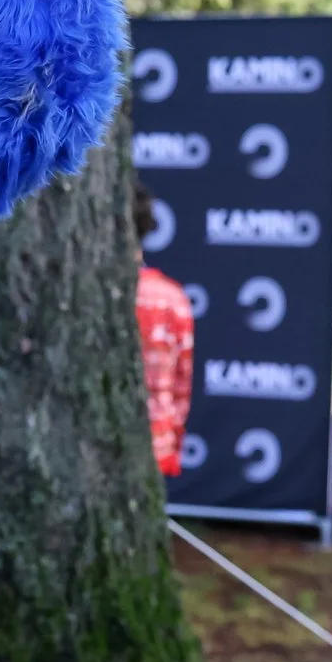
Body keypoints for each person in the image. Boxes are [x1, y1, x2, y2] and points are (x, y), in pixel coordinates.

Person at [134, 188, 195, 478]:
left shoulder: (80, 292)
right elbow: (182, 387)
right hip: (155, 444)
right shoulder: (172, 298)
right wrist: (172, 443)